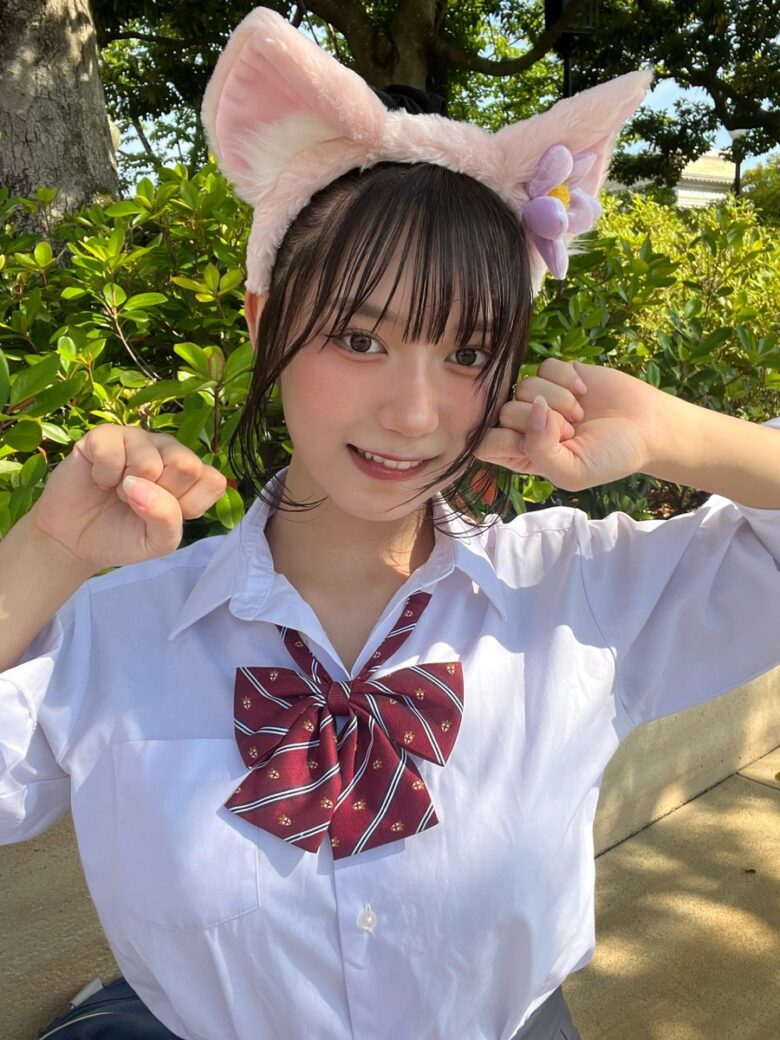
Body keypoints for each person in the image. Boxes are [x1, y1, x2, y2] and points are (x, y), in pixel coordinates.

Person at [2, 7, 779, 1040]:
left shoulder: (575, 596)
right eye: (361, 339)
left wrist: (675, 433)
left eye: (469, 353)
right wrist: (46, 554)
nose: (416, 414)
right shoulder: (116, 634)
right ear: (265, 320)